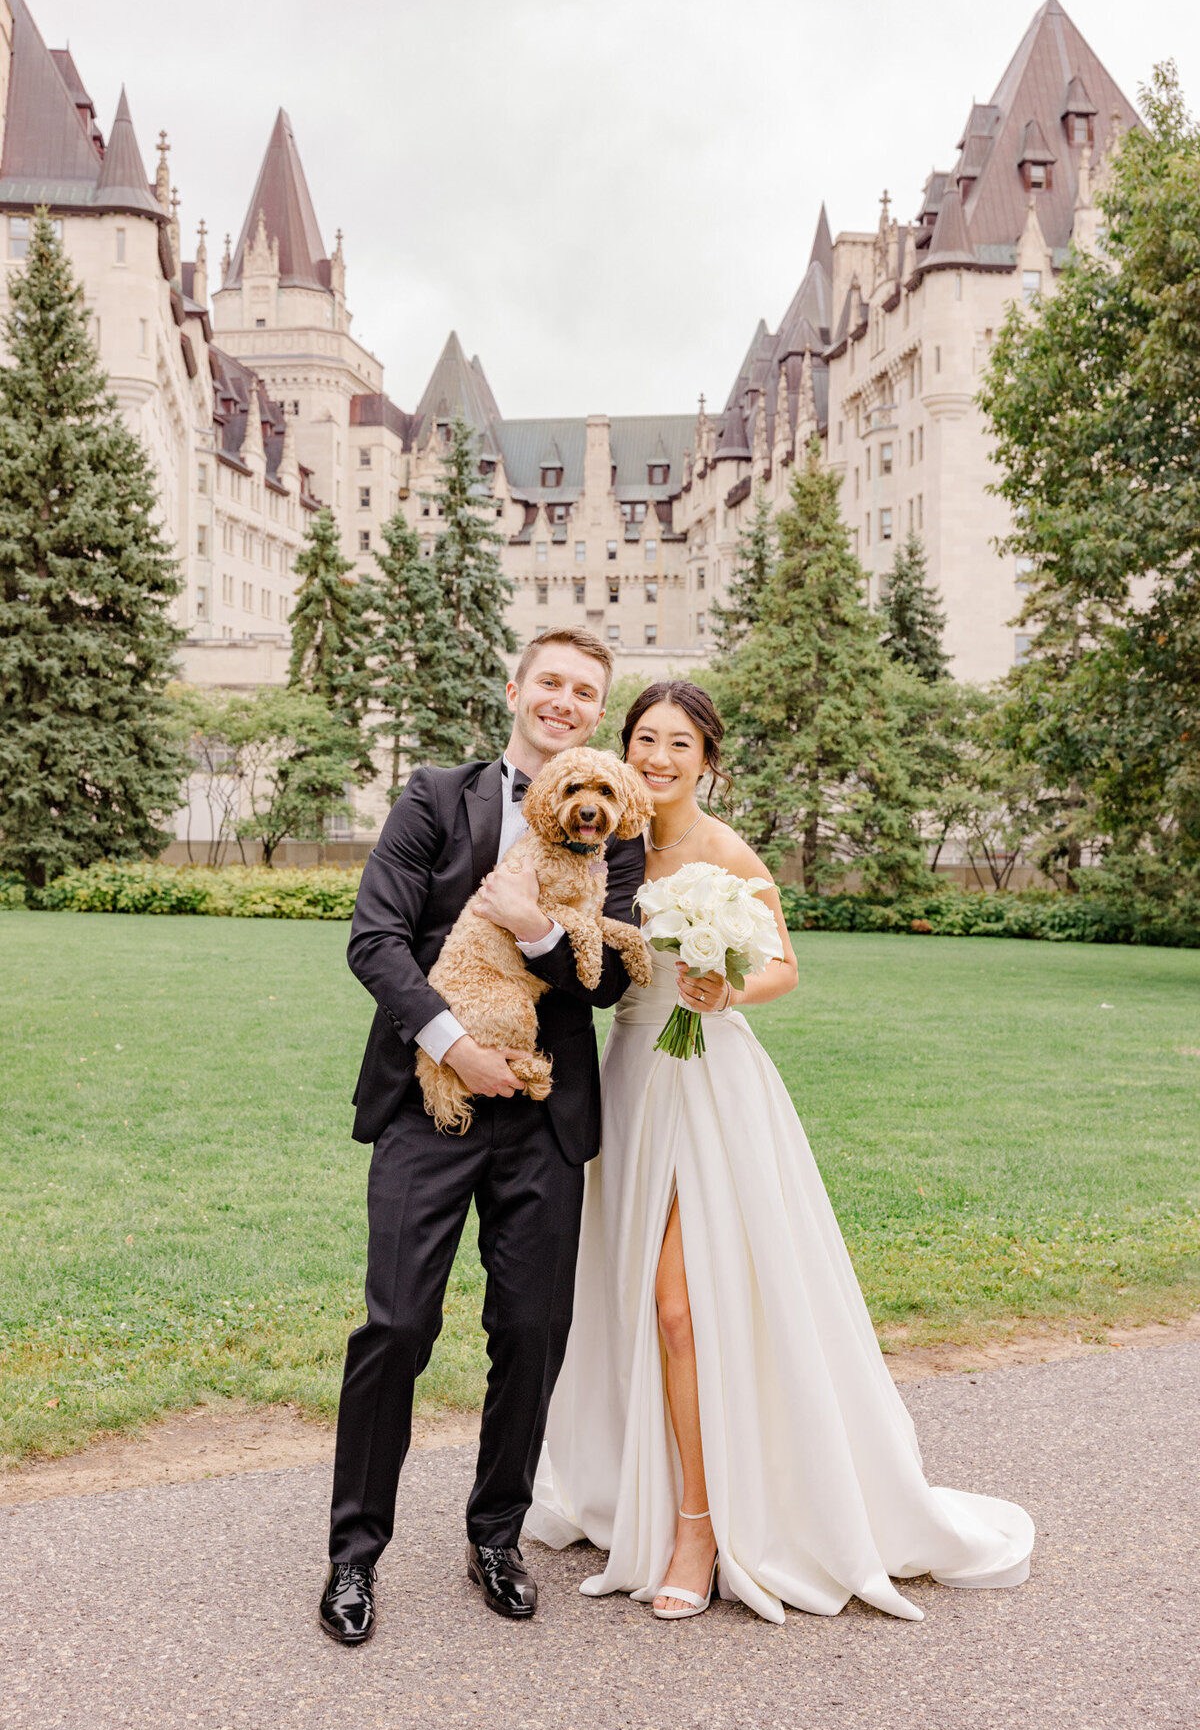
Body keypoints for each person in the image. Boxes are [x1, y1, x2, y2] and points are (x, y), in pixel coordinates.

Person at [527, 680, 1034, 1623]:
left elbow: (786, 965)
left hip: (710, 1082)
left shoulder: (724, 851)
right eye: (644, 737)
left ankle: (700, 1526)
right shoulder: (606, 843)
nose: (658, 756)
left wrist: (726, 988)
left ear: (707, 760)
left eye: (680, 742)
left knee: (681, 1304)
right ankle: (647, 1483)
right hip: (633, 1078)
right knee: (639, 1296)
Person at [319, 628, 644, 1643]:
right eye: (549, 681)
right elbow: (374, 939)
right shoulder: (434, 795)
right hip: (430, 1100)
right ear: (515, 688)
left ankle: (496, 1534)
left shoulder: (616, 828)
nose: (564, 700)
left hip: (547, 1115)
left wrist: (543, 932)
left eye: (584, 691)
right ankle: (353, 1553)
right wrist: (457, 1046)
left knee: (532, 1331)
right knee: (398, 1325)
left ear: (594, 712)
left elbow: (618, 975)